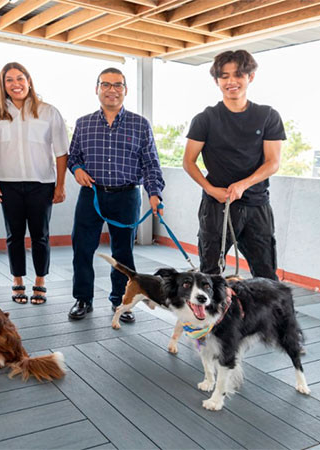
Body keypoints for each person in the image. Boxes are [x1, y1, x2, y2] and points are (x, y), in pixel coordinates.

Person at [67, 68, 164, 322]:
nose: (112, 90)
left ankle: (121, 301)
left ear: (125, 90)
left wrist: (154, 194)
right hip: (91, 196)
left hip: (127, 196)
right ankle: (83, 299)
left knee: (123, 253)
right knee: (82, 249)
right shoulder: (83, 123)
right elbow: (73, 156)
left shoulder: (140, 124)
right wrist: (76, 169)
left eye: (118, 85)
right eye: (106, 84)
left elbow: (151, 164)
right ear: (97, 88)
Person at [183, 50, 285, 280]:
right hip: (216, 204)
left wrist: (243, 185)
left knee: (266, 273)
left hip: (257, 204)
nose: (231, 81)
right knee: (210, 273)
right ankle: (214, 316)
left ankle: (270, 317)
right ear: (216, 81)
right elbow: (189, 162)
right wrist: (210, 189)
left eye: (238, 75)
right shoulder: (205, 119)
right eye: (224, 76)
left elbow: (273, 162)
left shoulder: (268, 116)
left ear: (251, 77)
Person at [0, 62, 69, 305]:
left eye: (20, 78)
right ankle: (18, 279)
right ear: (3, 86)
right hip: (8, 183)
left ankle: (40, 281)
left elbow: (61, 151)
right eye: (9, 80)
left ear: (29, 81)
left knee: (41, 235)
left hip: (41, 183)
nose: (15, 84)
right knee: (14, 236)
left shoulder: (49, 112)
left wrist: (60, 185)